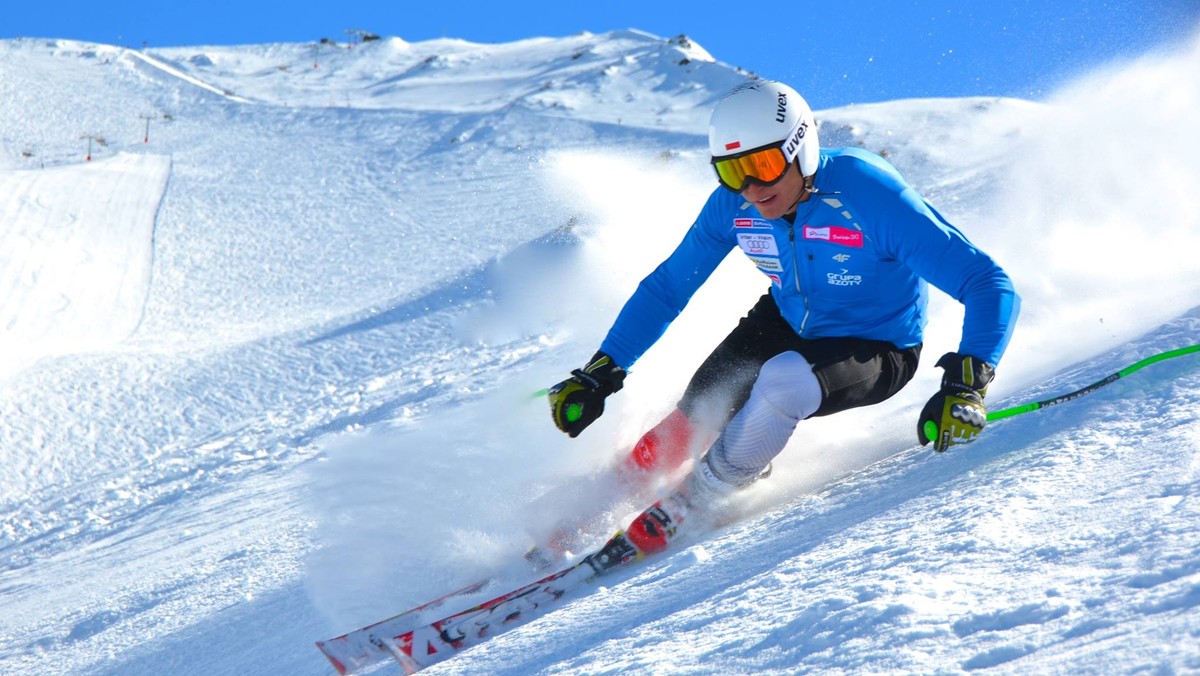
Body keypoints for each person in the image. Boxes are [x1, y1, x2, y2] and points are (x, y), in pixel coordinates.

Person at [546, 80, 1019, 561]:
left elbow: (986, 281)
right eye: (733, 172)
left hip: (877, 344)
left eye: (764, 166)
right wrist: (601, 370)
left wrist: (969, 383)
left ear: (802, 149)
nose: (752, 188)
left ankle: (704, 496)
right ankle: (580, 517)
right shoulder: (733, 206)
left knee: (781, 384)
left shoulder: (870, 195)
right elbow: (668, 286)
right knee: (698, 410)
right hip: (787, 317)